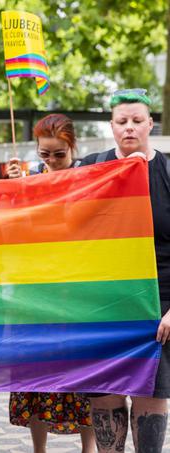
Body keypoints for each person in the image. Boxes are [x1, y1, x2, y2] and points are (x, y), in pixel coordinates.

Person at [79, 89, 169, 453]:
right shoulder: (90, 167)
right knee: (104, 398)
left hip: (159, 311)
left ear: (150, 124)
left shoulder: (167, 170)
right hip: (103, 307)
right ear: (111, 126)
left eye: (136, 121)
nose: (129, 128)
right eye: (121, 122)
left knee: (152, 398)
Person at [6, 114, 96, 453]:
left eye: (59, 154)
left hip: (78, 293)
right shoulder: (29, 181)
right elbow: (13, 229)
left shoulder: (89, 178)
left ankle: (90, 447)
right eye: (45, 154)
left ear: (72, 146)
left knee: (85, 374)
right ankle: (38, 449)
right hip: (35, 292)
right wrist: (16, 189)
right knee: (35, 374)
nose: (52, 161)